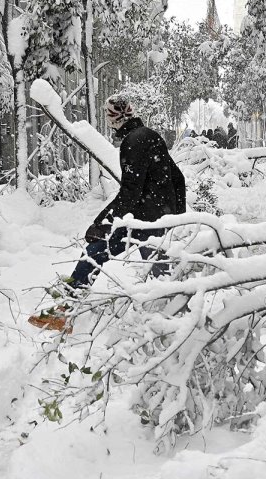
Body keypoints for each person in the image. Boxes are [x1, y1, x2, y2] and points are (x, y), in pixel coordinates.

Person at [29, 94, 187, 332]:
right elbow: (178, 178)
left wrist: (102, 221)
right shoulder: (151, 135)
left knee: (96, 251)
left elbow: (130, 192)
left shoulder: (132, 142)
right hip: (157, 217)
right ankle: (180, 318)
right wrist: (177, 215)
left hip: (142, 219)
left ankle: (66, 310)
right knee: (160, 272)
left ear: (114, 119)